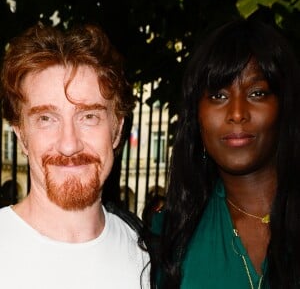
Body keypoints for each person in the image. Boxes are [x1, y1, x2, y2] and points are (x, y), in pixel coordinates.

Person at [0, 23, 150, 288]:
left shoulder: (149, 258)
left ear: (117, 131)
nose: (69, 145)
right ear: (21, 135)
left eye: (89, 117)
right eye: (46, 118)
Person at [155, 19, 300, 288]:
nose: (236, 113)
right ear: (196, 115)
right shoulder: (167, 236)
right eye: (218, 96)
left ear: (285, 107)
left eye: (257, 93)